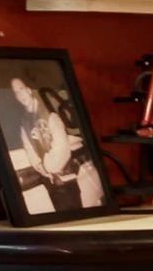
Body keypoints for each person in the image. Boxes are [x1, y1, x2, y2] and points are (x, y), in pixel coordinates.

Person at [6, 70, 104, 213]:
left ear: (28, 90)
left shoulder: (51, 116)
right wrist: (43, 170)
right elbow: (30, 150)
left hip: (66, 177)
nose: (20, 95)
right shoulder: (23, 123)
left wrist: (49, 167)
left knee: (75, 215)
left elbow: (62, 148)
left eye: (21, 90)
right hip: (49, 180)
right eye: (16, 93)